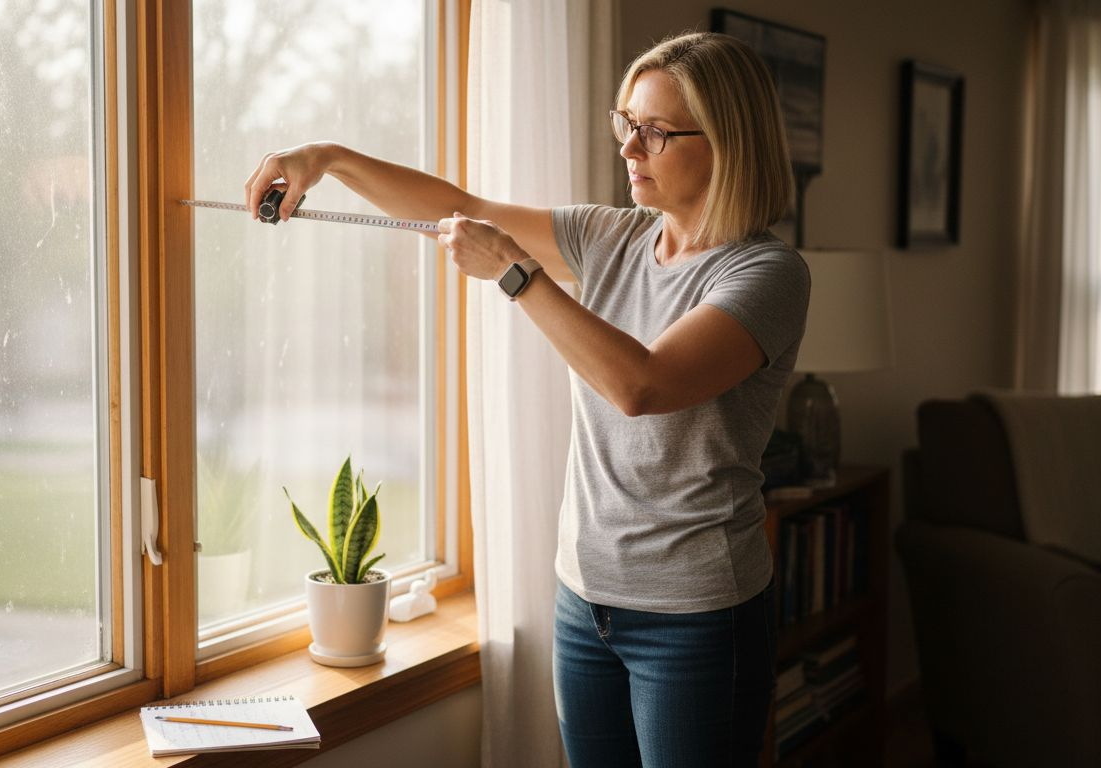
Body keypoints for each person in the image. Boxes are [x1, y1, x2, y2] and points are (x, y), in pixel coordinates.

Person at [245, 30, 809, 768]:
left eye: (656, 132)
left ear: (728, 143)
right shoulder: (614, 238)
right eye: (626, 124)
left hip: (697, 616)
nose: (630, 149)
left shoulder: (768, 274)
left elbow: (642, 385)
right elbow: (458, 205)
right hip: (584, 600)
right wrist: (325, 158)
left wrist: (517, 275)